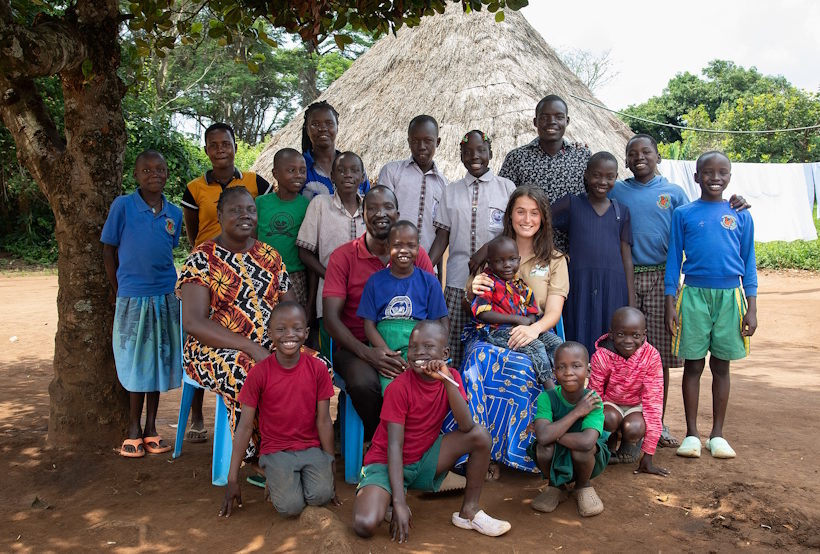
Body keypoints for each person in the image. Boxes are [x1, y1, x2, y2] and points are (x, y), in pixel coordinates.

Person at [609, 134, 750, 449]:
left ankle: (656, 422)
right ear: (626, 160)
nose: (639, 157)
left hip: (663, 278)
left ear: (658, 157)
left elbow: (704, 218)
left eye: (646, 151)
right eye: (632, 153)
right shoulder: (617, 191)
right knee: (622, 348)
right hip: (627, 277)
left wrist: (734, 203)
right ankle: (621, 422)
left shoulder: (674, 194)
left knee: (657, 354)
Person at [352, 321, 512, 542]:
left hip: (423, 459)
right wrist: (400, 503)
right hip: (386, 462)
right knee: (365, 525)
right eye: (413, 347)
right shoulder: (398, 388)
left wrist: (446, 381)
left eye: (428, 347)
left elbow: (466, 426)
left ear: (445, 353)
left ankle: (469, 512)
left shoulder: (452, 378)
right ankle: (387, 495)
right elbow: (394, 446)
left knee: (480, 436)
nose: (419, 352)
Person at [177, 186, 300, 460]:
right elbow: (194, 323)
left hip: (271, 345)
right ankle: (260, 456)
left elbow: (291, 309)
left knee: (317, 367)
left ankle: (301, 445)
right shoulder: (201, 259)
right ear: (219, 215)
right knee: (248, 371)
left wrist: (286, 343)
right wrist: (250, 347)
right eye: (236, 210)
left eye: (251, 210)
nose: (245, 216)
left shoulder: (270, 256)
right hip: (212, 350)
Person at [467, 186, 568, 479]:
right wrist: (473, 286)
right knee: (502, 363)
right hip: (492, 332)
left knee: (557, 353)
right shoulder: (493, 251)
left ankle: (539, 444)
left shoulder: (555, 259)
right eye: (520, 211)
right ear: (510, 216)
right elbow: (474, 300)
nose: (527, 219)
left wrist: (531, 328)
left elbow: (551, 312)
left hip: (533, 328)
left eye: (534, 212)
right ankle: (488, 451)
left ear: (544, 218)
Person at [180, 122, 272, 443]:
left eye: (226, 143)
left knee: (302, 364)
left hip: (245, 261)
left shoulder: (255, 183)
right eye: (214, 145)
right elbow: (193, 231)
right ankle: (252, 447)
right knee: (245, 366)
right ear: (206, 150)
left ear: (235, 146)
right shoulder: (195, 189)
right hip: (212, 274)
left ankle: (292, 442)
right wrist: (213, 254)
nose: (221, 149)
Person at [665, 151, 757, 460]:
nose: (715, 178)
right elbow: (674, 259)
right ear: (696, 177)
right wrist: (670, 302)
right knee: (693, 365)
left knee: (721, 365)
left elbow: (749, 262)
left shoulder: (741, 214)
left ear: (730, 176)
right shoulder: (684, 213)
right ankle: (691, 434)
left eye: (722, 172)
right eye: (708, 172)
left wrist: (752, 306)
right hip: (692, 295)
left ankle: (717, 434)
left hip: (731, 296)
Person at [323, 186, 434, 440]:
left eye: (386, 207)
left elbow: (432, 309)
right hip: (356, 348)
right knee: (364, 384)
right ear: (363, 215)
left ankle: (417, 447)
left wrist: (419, 353)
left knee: (429, 382)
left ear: (397, 213)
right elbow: (330, 319)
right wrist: (369, 354)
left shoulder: (416, 255)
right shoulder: (343, 257)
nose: (379, 213)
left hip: (408, 344)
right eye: (371, 208)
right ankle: (379, 442)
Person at [219, 302, 337, 518]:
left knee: (321, 496)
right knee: (290, 507)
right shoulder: (259, 373)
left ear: (306, 332)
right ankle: (275, 476)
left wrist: (330, 462)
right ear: (270, 334)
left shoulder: (318, 369)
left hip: (310, 448)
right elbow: (244, 427)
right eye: (281, 329)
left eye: (297, 328)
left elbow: (324, 421)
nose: (289, 335)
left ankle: (289, 479)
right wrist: (232, 479)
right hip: (276, 452)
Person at [101, 150, 183, 458]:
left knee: (158, 362)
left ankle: (151, 428)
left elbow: (168, 250)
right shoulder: (122, 206)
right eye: (147, 170)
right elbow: (109, 251)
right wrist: (117, 288)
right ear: (136, 175)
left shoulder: (172, 213)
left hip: (164, 297)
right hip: (132, 297)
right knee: (136, 362)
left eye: (161, 169)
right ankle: (133, 428)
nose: (155, 174)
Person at [429, 130, 515, 368]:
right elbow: (443, 235)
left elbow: (511, 233)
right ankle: (455, 400)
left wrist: (487, 249)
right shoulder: (451, 191)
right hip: (458, 283)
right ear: (461, 156)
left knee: (490, 347)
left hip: (496, 284)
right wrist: (424, 266)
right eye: (467, 152)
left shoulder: (506, 188)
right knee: (453, 347)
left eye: (480, 151)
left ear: (490, 153)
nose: (474, 156)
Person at [551, 151, 634, 356]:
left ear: (616, 177)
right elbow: (540, 220)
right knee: (577, 338)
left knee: (611, 344)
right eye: (597, 175)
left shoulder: (621, 211)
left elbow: (626, 257)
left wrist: (631, 301)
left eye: (610, 176)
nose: (602, 181)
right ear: (586, 175)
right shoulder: (572, 204)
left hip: (613, 287)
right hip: (579, 283)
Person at [357, 220, 449, 391]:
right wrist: (387, 353)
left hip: (418, 348)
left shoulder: (429, 282)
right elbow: (368, 326)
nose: (404, 250)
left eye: (411, 245)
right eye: (397, 245)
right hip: (385, 347)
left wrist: (431, 353)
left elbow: (440, 323)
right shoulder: (375, 282)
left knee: (422, 387)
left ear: (418, 248)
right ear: (387, 246)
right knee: (392, 387)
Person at [499, 94, 591, 252]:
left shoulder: (583, 157)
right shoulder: (517, 158)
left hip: (574, 251)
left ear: (567, 121)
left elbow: (593, 200)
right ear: (535, 122)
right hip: (528, 251)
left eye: (559, 117)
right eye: (544, 117)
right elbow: (503, 203)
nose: (552, 122)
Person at [528, 342, 610, 517]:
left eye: (576, 366)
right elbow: (543, 439)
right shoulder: (546, 398)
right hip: (555, 453)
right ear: (554, 372)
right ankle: (556, 487)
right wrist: (577, 412)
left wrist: (552, 433)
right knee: (543, 449)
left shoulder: (592, 399)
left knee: (581, 450)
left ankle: (583, 486)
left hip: (585, 457)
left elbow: (587, 441)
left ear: (588, 371)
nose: (568, 372)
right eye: (561, 367)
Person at [296, 151, 367, 353]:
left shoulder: (371, 207)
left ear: (362, 177)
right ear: (332, 177)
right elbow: (304, 252)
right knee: (332, 352)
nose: (348, 175)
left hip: (365, 296)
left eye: (354, 171)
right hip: (329, 295)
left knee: (364, 348)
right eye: (341, 170)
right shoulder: (320, 205)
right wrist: (332, 276)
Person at [589, 307, 668, 474]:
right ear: (611, 334)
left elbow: (653, 403)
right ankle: (608, 443)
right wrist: (591, 441)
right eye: (621, 334)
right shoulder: (601, 357)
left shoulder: (651, 357)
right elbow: (594, 396)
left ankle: (630, 442)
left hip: (636, 407)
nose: (628, 341)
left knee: (634, 428)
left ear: (644, 335)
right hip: (610, 403)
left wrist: (648, 455)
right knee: (607, 418)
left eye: (636, 335)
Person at [467, 235, 553, 384]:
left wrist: (529, 322)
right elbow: (483, 313)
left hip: (523, 329)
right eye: (500, 261)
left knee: (554, 342)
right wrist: (517, 319)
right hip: (496, 331)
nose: (507, 265)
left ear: (519, 260)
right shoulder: (487, 282)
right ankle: (550, 388)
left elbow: (532, 312)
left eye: (512, 259)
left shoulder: (521, 285)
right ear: (490, 263)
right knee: (536, 346)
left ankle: (559, 379)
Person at [377, 115, 448, 252]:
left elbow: (441, 233)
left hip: (427, 267)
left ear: (438, 142)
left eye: (428, 141)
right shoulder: (392, 172)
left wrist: (429, 268)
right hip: (392, 261)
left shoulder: (444, 185)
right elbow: (382, 219)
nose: (421, 147)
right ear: (408, 141)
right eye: (415, 141)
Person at [255, 148, 310, 309]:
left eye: (302, 171)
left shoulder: (306, 205)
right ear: (275, 173)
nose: (298, 175)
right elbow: (250, 239)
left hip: (295, 275)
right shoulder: (260, 203)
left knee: (293, 322)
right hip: (263, 272)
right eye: (291, 171)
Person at [299, 101, 369, 199]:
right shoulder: (299, 167)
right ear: (307, 129)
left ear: (337, 127)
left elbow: (368, 201)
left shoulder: (355, 166)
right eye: (315, 124)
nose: (323, 128)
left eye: (329, 123)